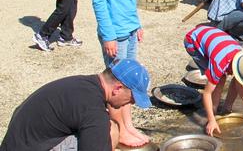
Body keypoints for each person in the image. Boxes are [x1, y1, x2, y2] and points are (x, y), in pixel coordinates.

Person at [91, 0, 154, 148]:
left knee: (129, 84)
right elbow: (98, 0)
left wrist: (137, 23)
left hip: (129, 29)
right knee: (117, 84)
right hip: (114, 33)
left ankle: (128, 126)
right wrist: (108, 35)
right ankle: (120, 129)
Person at [0, 59, 152, 151]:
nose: (132, 103)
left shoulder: (82, 83)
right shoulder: (93, 111)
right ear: (117, 88)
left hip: (18, 144)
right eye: (132, 98)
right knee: (110, 132)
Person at [184, 25, 243, 136]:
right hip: (192, 41)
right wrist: (211, 120)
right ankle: (213, 112)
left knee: (222, 78)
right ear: (235, 67)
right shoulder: (219, 63)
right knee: (219, 78)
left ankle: (226, 108)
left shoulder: (242, 58)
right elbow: (206, 93)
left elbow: (239, 84)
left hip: (213, 37)